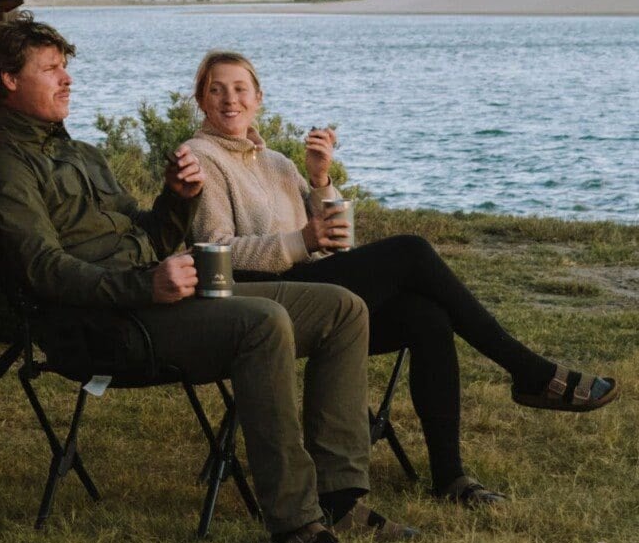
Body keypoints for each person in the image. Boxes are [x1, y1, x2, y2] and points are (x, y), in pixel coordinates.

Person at [0, 15, 410, 543]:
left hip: (152, 301)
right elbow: (44, 270)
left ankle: (341, 497)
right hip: (101, 327)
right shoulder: (2, 168)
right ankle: (295, 524)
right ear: (9, 79)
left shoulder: (79, 153)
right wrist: (144, 286)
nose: (67, 80)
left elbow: (147, 235)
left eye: (65, 68)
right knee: (264, 323)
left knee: (342, 308)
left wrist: (176, 197)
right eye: (51, 69)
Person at [182, 50, 620, 508]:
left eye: (239, 89)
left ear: (258, 99)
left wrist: (320, 179)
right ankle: (527, 370)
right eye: (217, 89)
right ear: (201, 99)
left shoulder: (277, 163)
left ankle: (450, 477)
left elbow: (338, 245)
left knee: (426, 317)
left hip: (314, 292)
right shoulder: (200, 156)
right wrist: (299, 242)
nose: (229, 99)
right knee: (410, 250)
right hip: (257, 302)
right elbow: (215, 250)